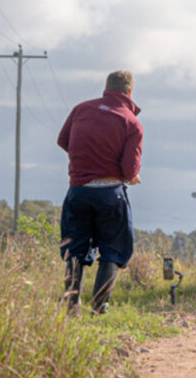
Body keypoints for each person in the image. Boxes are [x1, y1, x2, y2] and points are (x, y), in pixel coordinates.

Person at [57, 70, 143, 315]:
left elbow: (63, 141)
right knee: (113, 250)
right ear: (130, 92)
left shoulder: (80, 110)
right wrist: (132, 176)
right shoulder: (131, 123)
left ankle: (72, 307)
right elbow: (129, 170)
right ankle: (99, 307)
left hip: (78, 191)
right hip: (110, 194)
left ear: (106, 87)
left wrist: (85, 161)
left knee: (74, 250)